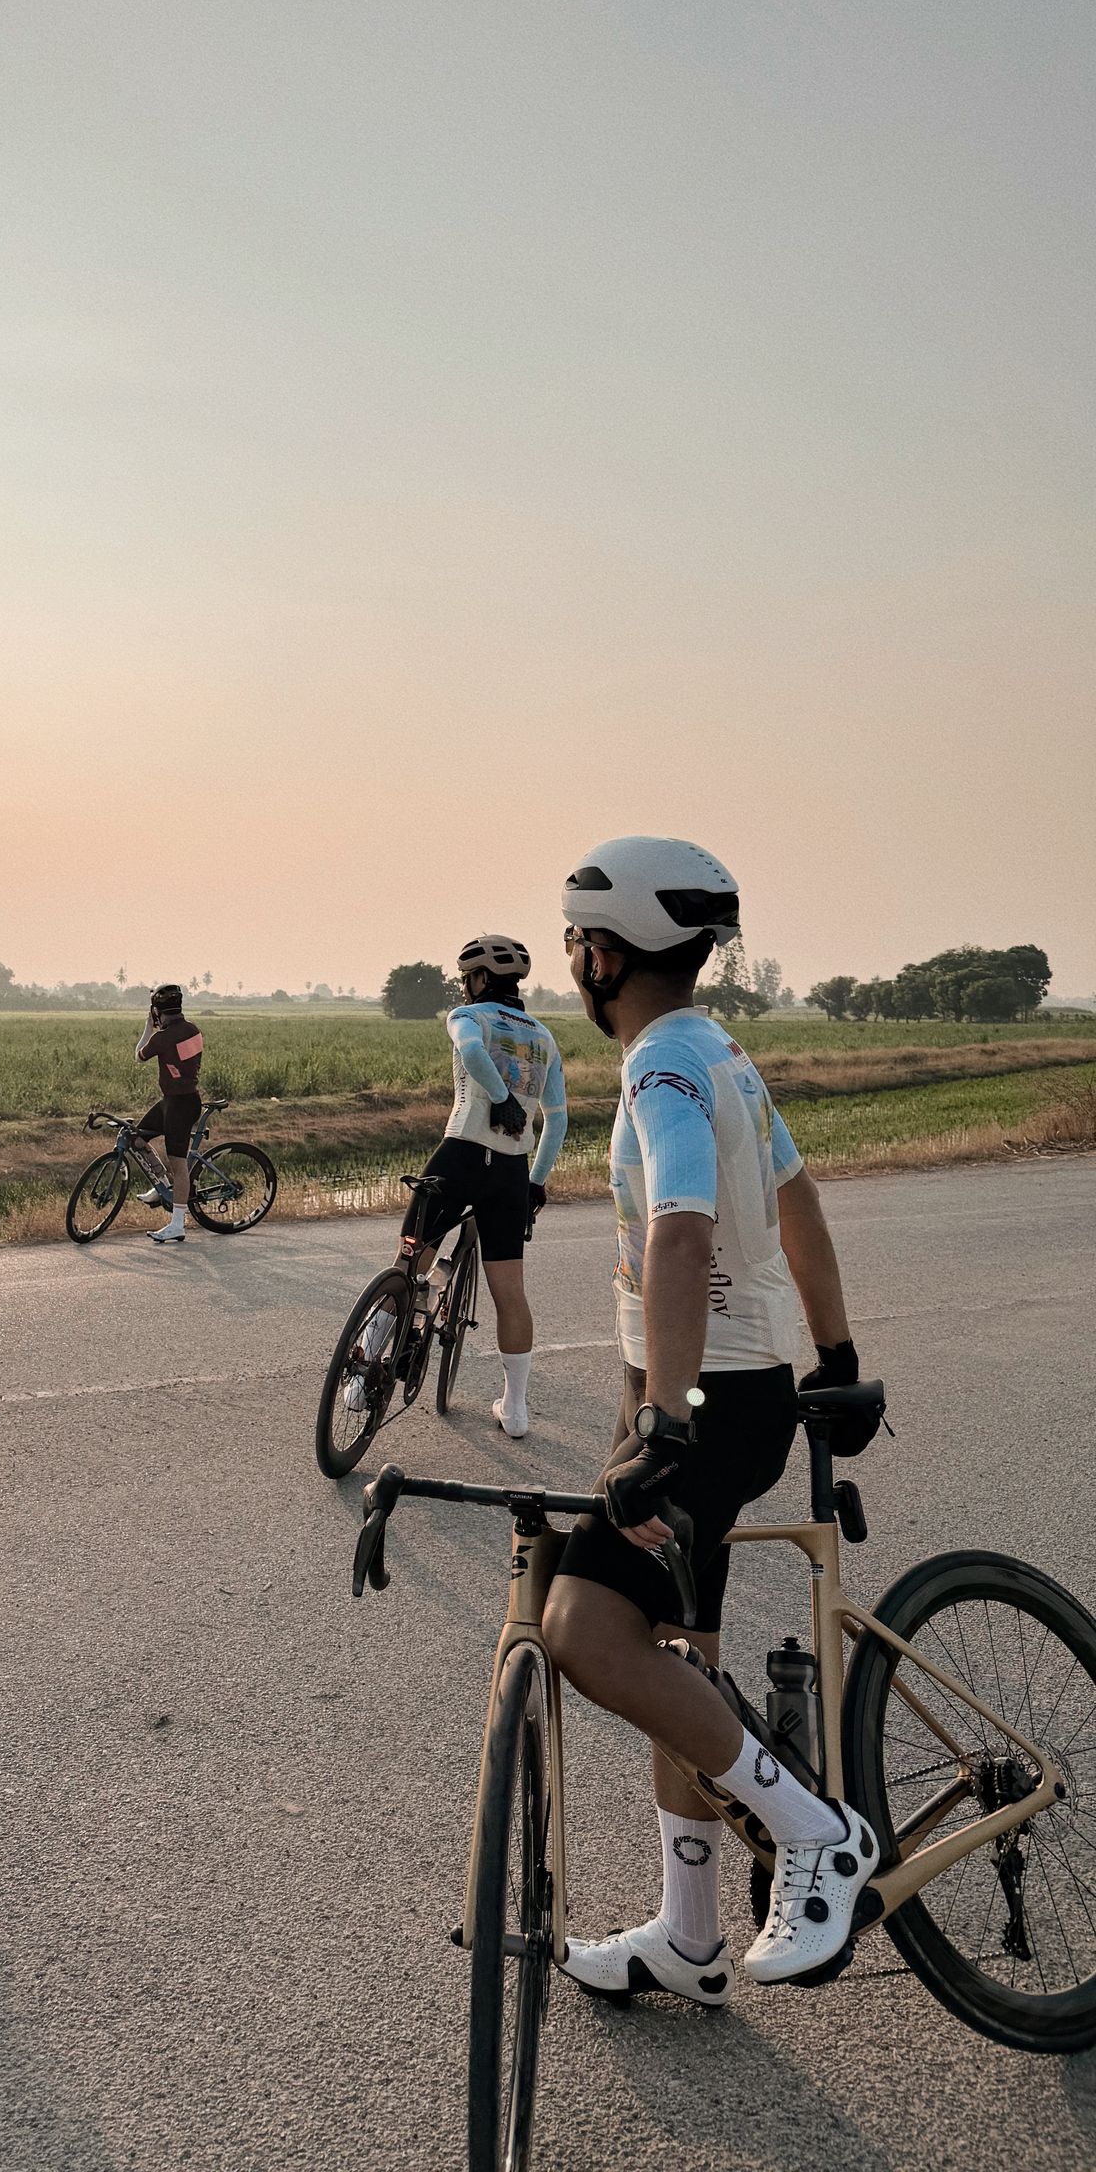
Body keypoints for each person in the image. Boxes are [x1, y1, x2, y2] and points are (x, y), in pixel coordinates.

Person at [544, 835, 878, 2001]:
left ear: (604, 954)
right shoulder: (718, 1050)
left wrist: (665, 1425)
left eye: (575, 941)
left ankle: (815, 1831)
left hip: (708, 1404)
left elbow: (680, 1237)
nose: (572, 961)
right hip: (723, 1389)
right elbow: (797, 1200)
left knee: (583, 1629)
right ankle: (689, 1940)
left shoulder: (661, 1071)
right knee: (678, 1658)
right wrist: (836, 1351)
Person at [347, 936, 566, 1431]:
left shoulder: (468, 1016)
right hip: (512, 1172)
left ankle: (361, 1377)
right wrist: (535, 1182)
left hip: (461, 1157)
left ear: (481, 978)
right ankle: (516, 1410)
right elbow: (557, 1120)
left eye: (467, 978)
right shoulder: (543, 1036)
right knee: (510, 1293)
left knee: (409, 1261)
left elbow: (470, 1052)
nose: (464, 986)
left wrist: (500, 1098)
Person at [133, 984, 204, 1244]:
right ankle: (161, 1185)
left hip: (180, 1105)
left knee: (179, 1164)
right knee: (137, 1139)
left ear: (157, 1011)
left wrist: (148, 1027)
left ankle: (177, 1224)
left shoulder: (162, 1038)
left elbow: (139, 1056)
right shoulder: (192, 1029)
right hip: (175, 1101)